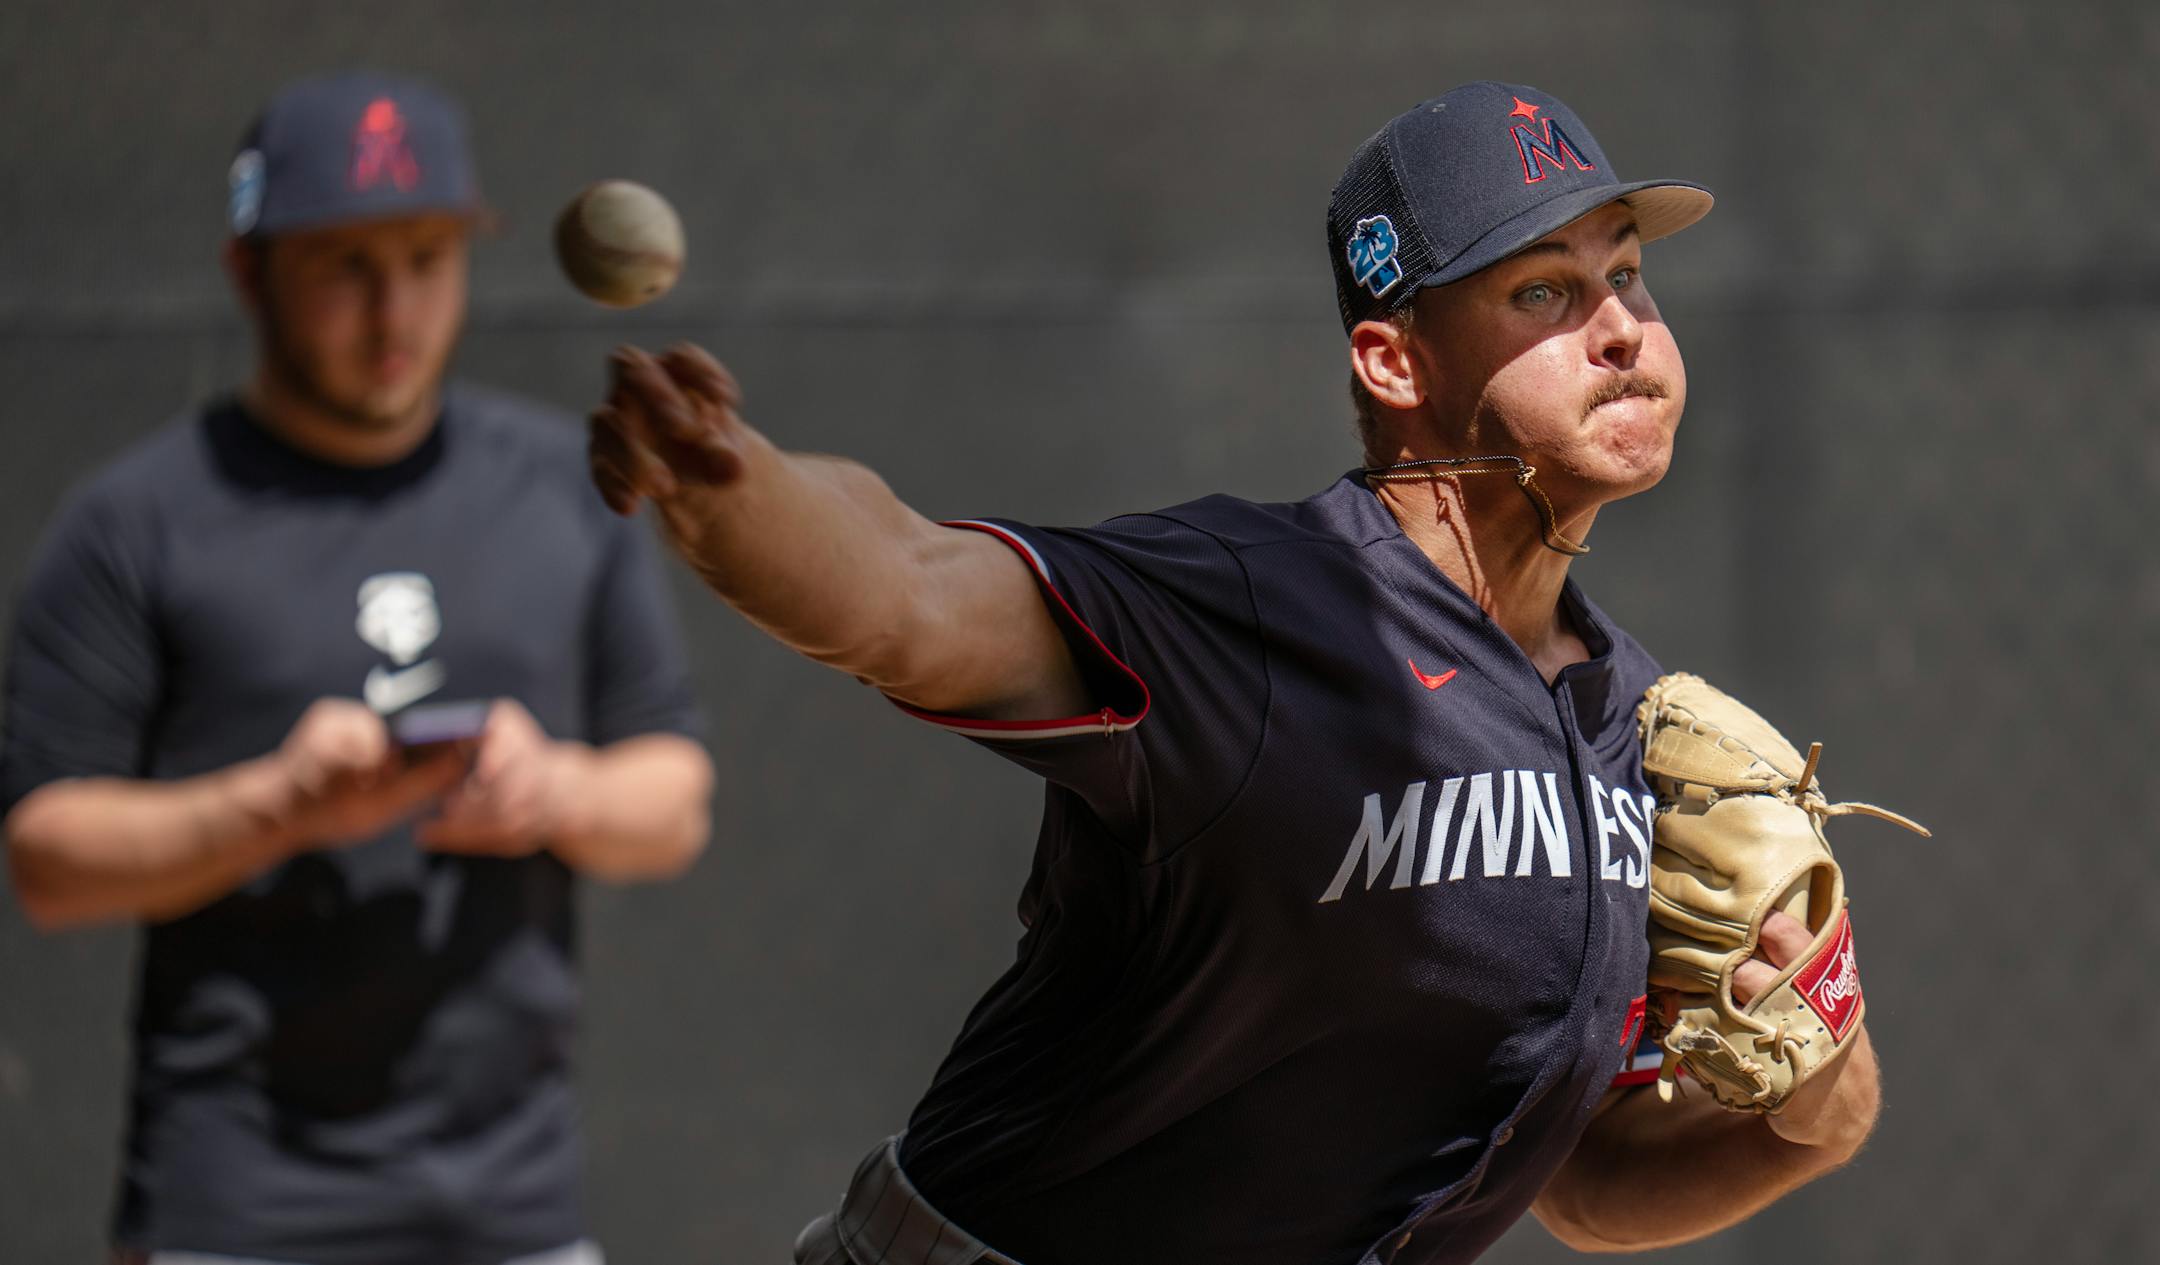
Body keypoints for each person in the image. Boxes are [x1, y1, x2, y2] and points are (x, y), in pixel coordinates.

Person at [588, 82, 1881, 1265]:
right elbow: (906, 590)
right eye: (1543, 290)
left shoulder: (1630, 732)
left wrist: (1818, 1103)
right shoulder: (1263, 605)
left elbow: (1586, 1183)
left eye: (1630, 276)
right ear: (1395, 363)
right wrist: (729, 487)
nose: (1620, 330)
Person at [1, 71, 714, 1265]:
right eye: (346, 265)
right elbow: (47, 861)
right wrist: (282, 803)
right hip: (229, 1216)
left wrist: (554, 789)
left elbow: (675, 796)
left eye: (429, 258)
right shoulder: (137, 519)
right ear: (250, 269)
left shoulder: (565, 487)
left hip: (515, 1216)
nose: (396, 312)